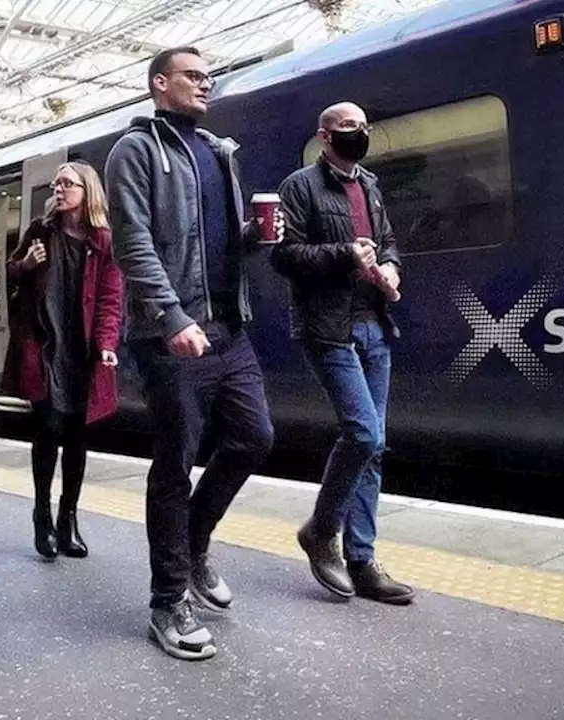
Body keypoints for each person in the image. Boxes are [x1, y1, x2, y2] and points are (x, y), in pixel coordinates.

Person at [105, 46, 282, 661]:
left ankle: (195, 542)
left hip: (229, 330)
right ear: (160, 84)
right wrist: (172, 315)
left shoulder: (216, 151)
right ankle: (167, 600)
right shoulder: (136, 150)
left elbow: (214, 244)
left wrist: (255, 240)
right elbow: (133, 243)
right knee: (176, 463)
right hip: (171, 335)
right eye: (192, 75)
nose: (206, 82)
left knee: (254, 438)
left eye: (210, 74)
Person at [272, 101, 415, 605]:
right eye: (348, 127)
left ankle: (362, 560)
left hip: (374, 324)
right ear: (324, 135)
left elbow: (390, 241)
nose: (359, 133)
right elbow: (284, 257)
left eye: (363, 126)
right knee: (363, 431)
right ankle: (320, 530)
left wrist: (391, 268)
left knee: (374, 449)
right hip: (328, 328)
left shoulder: (370, 185)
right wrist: (343, 255)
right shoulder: (300, 187)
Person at [3, 161, 123, 561]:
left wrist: (107, 343)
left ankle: (68, 520)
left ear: (86, 191)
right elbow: (13, 272)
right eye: (56, 184)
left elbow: (110, 297)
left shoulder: (104, 240)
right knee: (48, 430)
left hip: (82, 351)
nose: (59, 189)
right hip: (46, 347)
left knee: (76, 436)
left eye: (67, 184)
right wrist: (27, 265)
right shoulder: (41, 231)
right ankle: (42, 513)